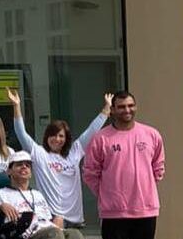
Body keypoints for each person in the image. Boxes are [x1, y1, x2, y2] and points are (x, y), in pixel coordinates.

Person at [82, 91, 165, 239]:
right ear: (113, 110)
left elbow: (158, 167)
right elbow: (90, 173)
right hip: (114, 213)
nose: (126, 110)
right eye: (121, 107)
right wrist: (107, 195)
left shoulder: (151, 134)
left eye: (130, 106)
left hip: (145, 210)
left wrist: (144, 189)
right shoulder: (101, 139)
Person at [9, 88, 112, 228]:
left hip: (75, 219)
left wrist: (106, 110)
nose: (57, 139)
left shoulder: (75, 152)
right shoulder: (39, 153)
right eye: (53, 135)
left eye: (61, 136)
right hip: (52, 218)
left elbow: (91, 131)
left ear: (66, 138)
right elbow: (21, 133)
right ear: (47, 136)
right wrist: (16, 106)